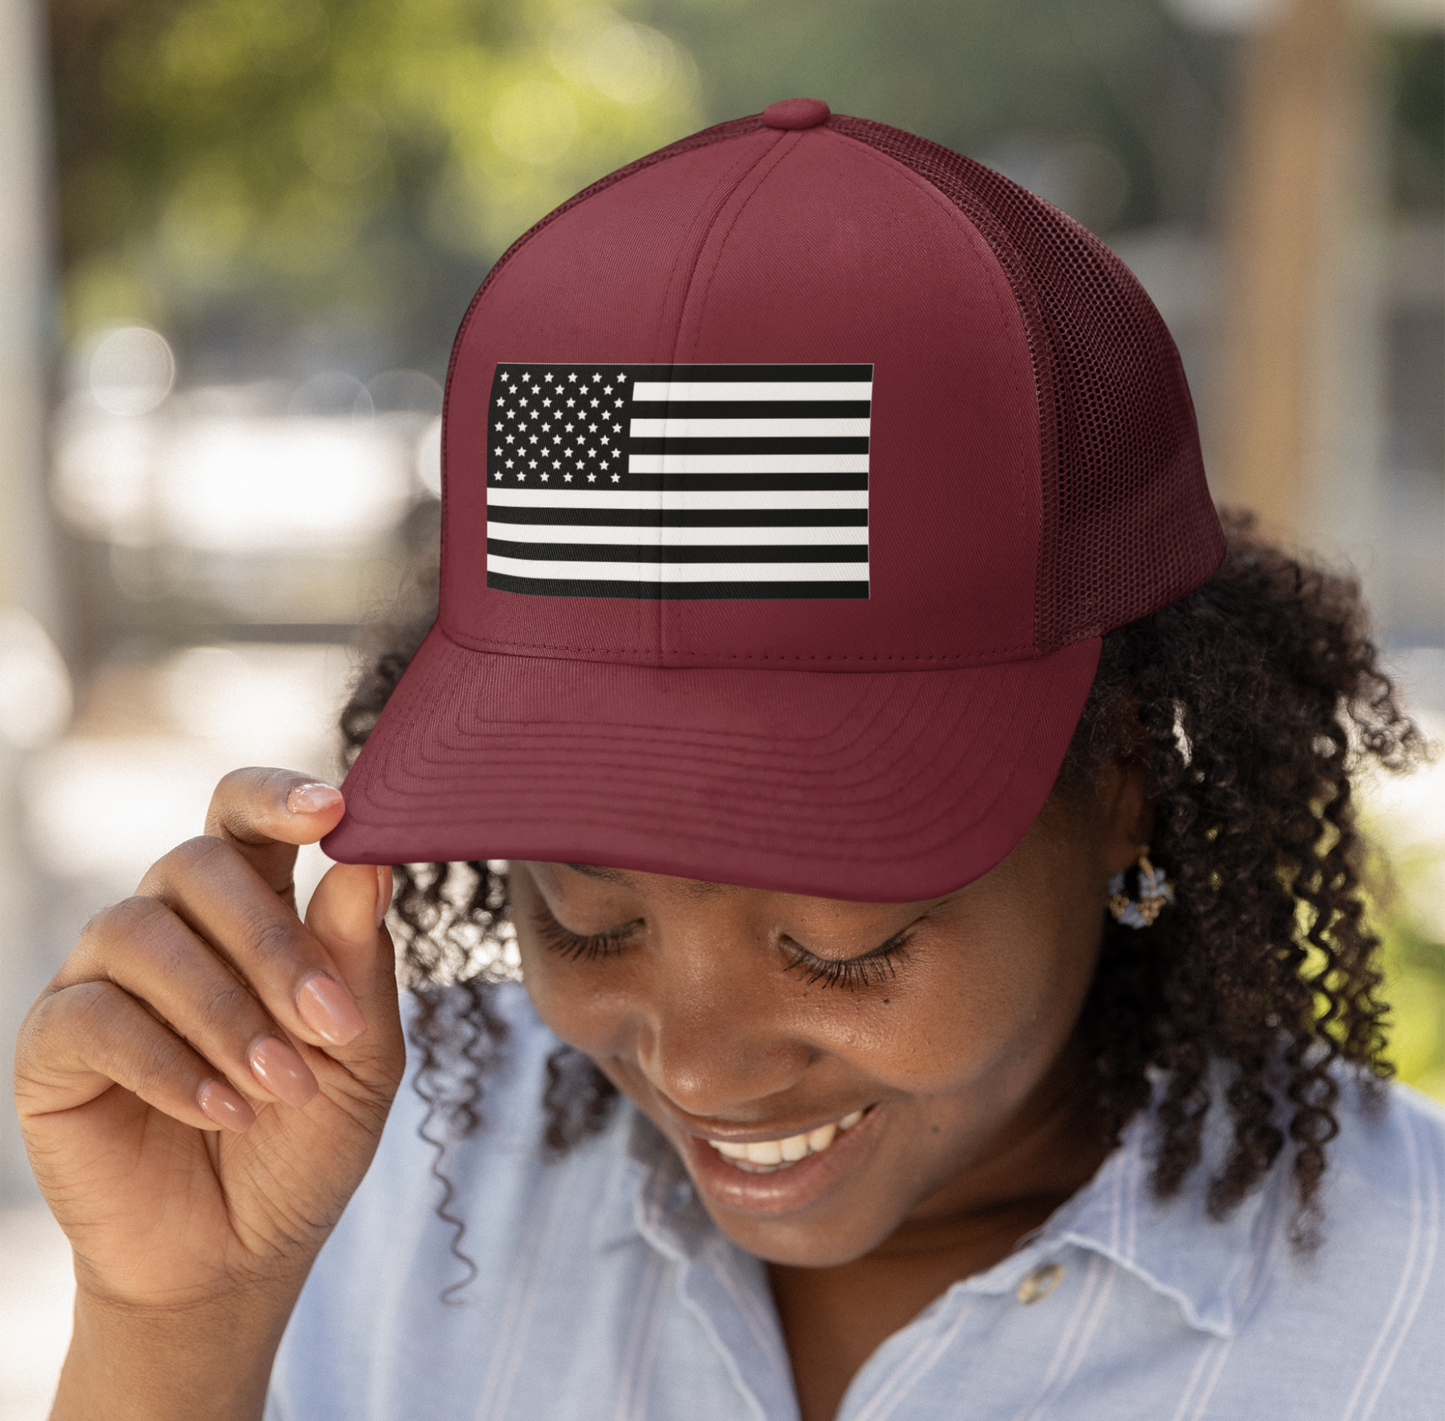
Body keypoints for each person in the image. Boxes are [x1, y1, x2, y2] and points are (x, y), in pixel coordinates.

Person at [15, 100, 1444, 1421]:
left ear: (1125, 779)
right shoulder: (379, 1164)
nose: (696, 1064)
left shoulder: (1406, 1314)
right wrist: (178, 1324)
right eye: (587, 914)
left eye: (839, 945)